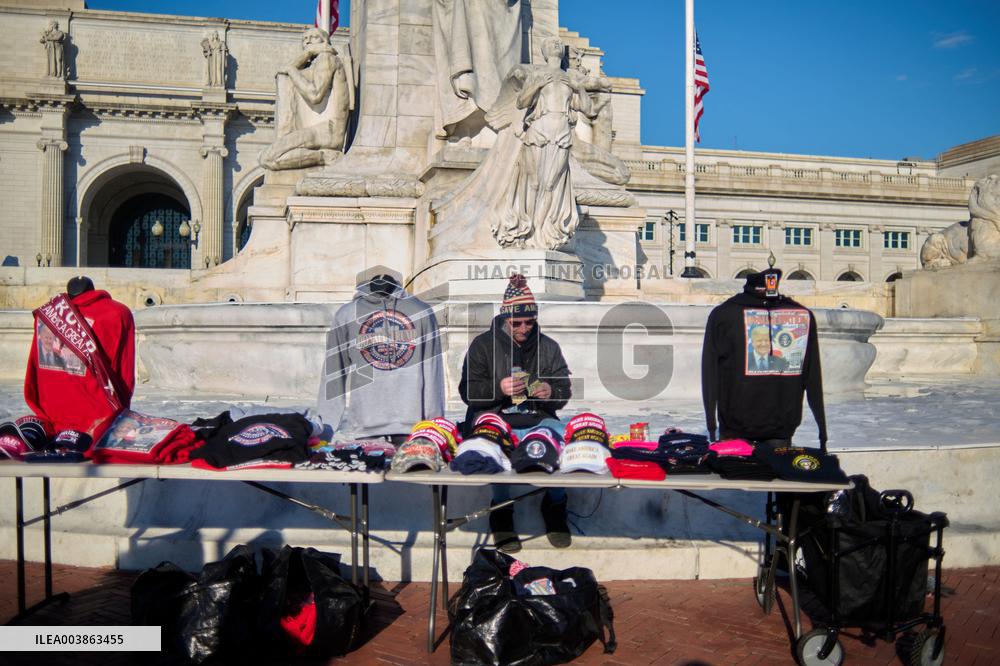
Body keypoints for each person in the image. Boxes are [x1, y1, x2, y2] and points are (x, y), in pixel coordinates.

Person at [458, 274, 573, 552]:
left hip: (536, 417)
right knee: (495, 447)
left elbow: (564, 388)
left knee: (563, 441)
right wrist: (498, 388)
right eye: (516, 323)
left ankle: (555, 505)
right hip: (496, 417)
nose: (523, 328)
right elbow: (467, 391)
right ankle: (501, 512)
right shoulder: (483, 345)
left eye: (529, 322)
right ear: (504, 318)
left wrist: (551, 391)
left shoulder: (548, 346)